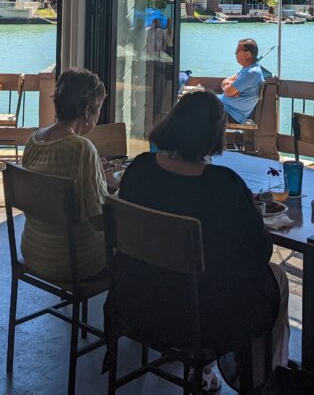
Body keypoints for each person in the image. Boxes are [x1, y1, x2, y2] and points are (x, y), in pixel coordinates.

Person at [115, 91, 289, 392]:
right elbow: (258, 251)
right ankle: (265, 379)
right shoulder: (222, 184)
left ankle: (207, 369)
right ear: (214, 133)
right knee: (275, 277)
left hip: (137, 300)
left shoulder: (140, 169)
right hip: (197, 314)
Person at [19, 68, 108, 282]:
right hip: (73, 262)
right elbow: (98, 220)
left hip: (33, 251)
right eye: (98, 109)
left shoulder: (34, 140)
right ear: (88, 110)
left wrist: (94, 172)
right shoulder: (82, 148)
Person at [218, 38, 264, 123]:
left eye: (237, 51)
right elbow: (226, 84)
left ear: (247, 54)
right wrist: (230, 85)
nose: (235, 53)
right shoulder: (247, 69)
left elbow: (228, 91)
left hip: (230, 114)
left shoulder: (251, 73)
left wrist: (230, 85)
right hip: (225, 108)